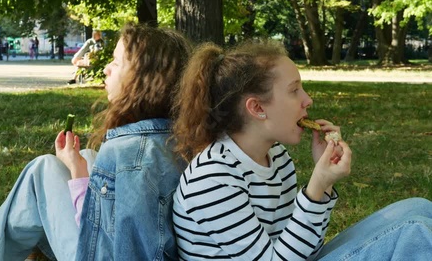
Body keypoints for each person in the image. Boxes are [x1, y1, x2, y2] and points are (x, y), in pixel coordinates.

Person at [171, 41, 432, 260]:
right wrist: (317, 187)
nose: (308, 100)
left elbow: (304, 249)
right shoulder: (213, 177)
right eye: (295, 90)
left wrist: (323, 184)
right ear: (258, 108)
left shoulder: (277, 158)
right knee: (414, 231)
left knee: (418, 208)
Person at [0, 23, 191, 261]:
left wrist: (78, 175)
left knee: (43, 169)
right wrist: (78, 167)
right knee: (87, 156)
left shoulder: (131, 156)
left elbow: (112, 249)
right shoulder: (173, 139)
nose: (107, 69)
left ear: (145, 80)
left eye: (116, 63)